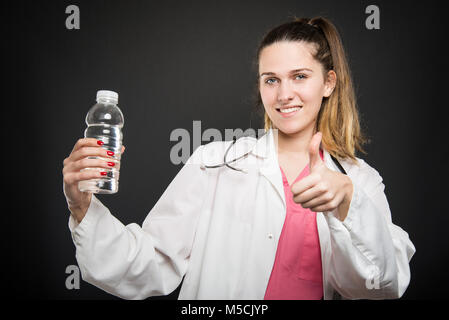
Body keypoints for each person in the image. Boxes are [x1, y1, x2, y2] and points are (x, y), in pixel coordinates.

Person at [62, 17, 415, 300]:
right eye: (271, 80)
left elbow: (384, 286)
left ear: (328, 83)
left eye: (300, 77)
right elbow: (149, 262)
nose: (284, 94)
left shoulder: (360, 181)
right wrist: (82, 208)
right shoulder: (213, 162)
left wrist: (347, 202)